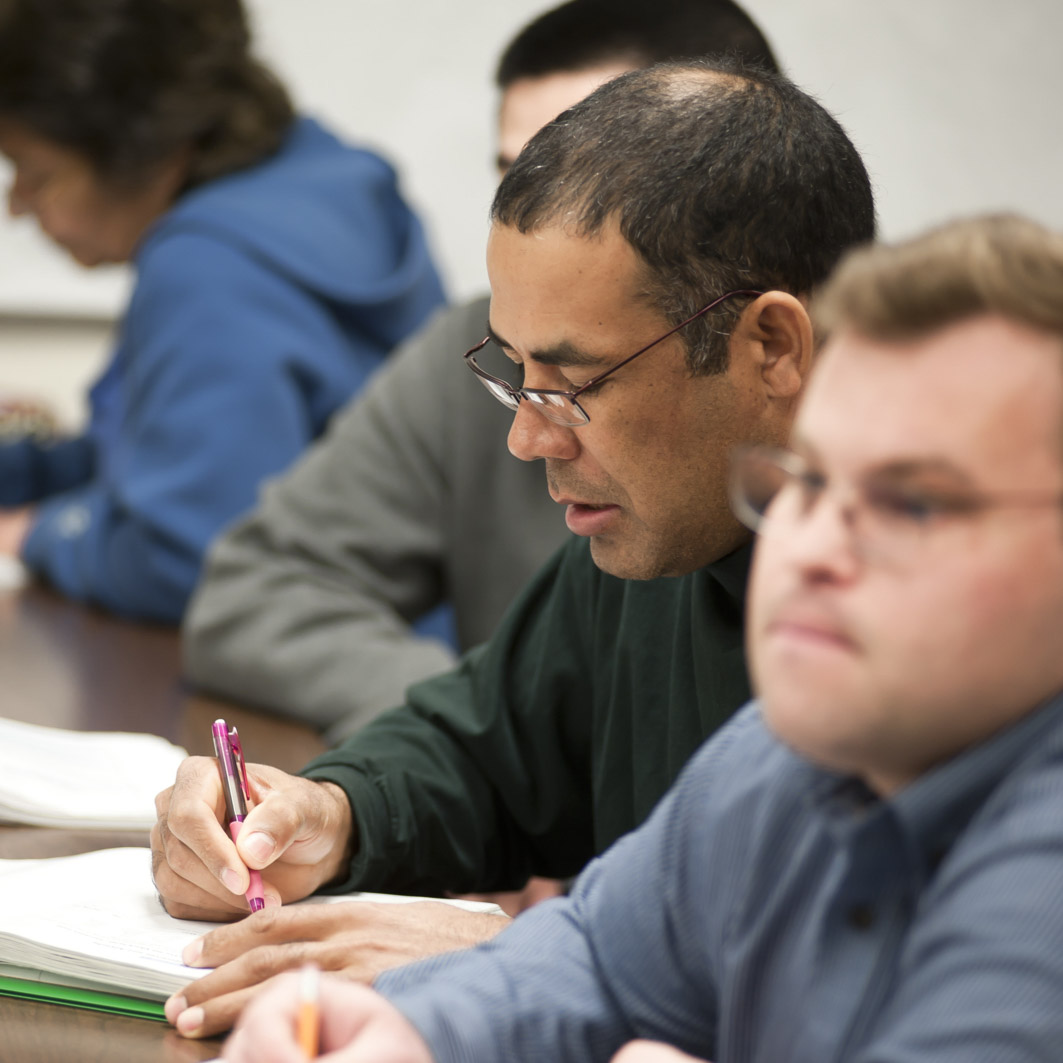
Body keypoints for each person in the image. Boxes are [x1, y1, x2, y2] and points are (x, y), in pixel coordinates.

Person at [221, 212, 1063, 1063]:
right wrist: (411, 1029)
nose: (809, 549)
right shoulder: (780, 760)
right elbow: (595, 959)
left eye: (910, 504)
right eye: (806, 483)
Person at [154, 59, 875, 1038]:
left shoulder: (943, 616)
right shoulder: (664, 539)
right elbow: (484, 748)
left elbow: (899, 994)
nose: (527, 437)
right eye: (515, 371)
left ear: (772, 349)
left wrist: (522, 964)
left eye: (574, 381)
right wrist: (329, 815)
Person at [181, 0, 781, 743]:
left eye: (596, 176)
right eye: (520, 176)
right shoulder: (477, 347)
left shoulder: (873, 410)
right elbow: (259, 588)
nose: (530, 432)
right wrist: (480, 747)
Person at [0, 0, 444, 622]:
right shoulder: (331, 184)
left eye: (36, 174)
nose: (17, 206)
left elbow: (186, 559)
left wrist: (38, 532)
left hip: (312, 668)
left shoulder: (207, 269)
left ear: (146, 149)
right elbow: (156, 454)